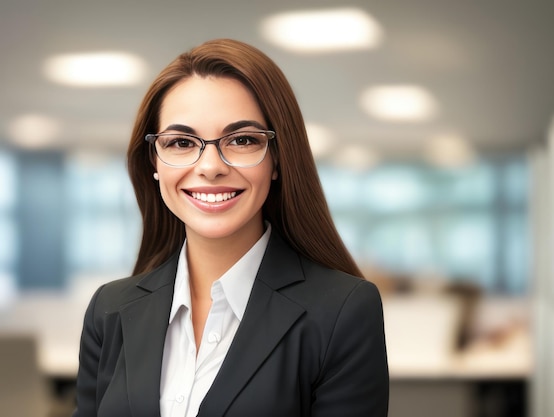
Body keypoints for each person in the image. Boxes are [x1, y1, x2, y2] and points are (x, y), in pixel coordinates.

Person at [73, 38, 389, 417]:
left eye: (241, 140)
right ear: (154, 163)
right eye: (181, 142)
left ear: (277, 159)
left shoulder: (343, 311)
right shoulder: (110, 310)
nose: (210, 166)